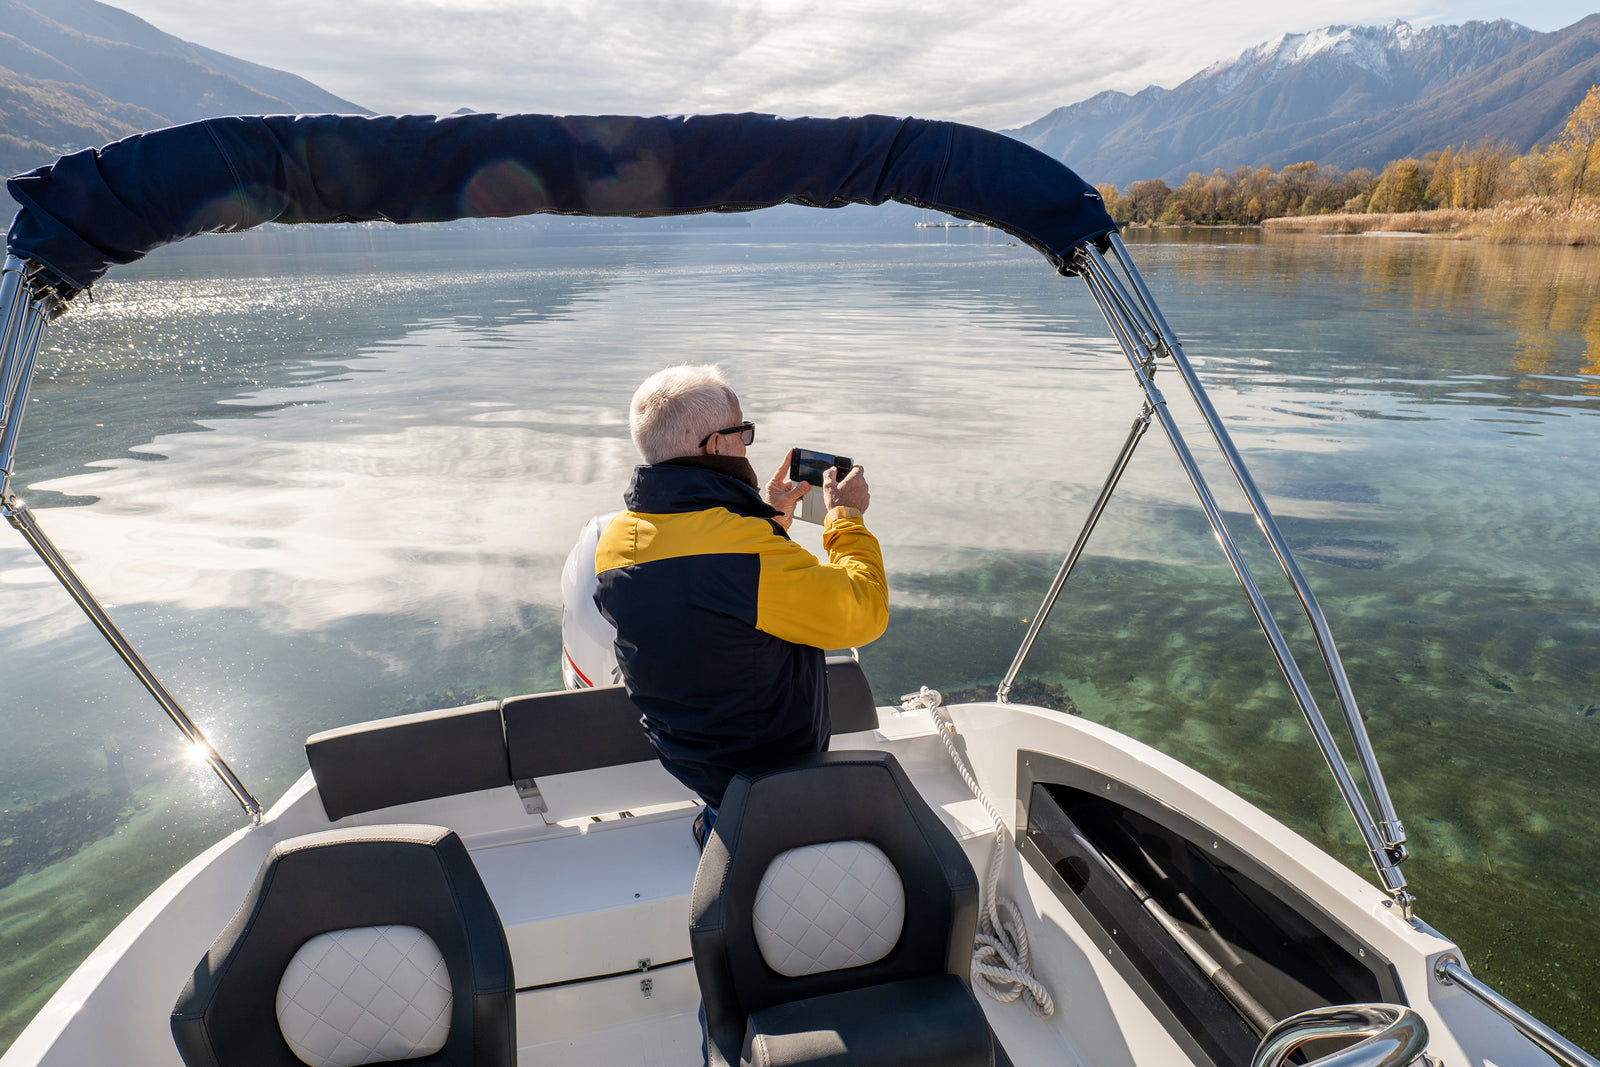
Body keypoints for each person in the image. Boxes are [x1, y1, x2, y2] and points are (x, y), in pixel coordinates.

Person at [593, 364, 888, 845]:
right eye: (743, 432)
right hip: (773, 770)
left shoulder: (617, 540)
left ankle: (717, 826)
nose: (746, 444)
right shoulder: (744, 555)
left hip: (692, 757)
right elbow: (864, 611)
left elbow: (708, 591)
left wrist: (766, 520)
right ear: (715, 446)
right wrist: (847, 520)